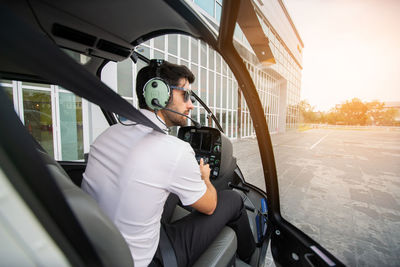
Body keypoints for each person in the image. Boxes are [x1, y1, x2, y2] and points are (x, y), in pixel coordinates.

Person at [81, 60, 255, 267]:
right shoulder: (174, 150)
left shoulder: (106, 136)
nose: (191, 105)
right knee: (233, 199)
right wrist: (205, 179)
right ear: (159, 93)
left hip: (98, 249)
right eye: (185, 95)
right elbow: (209, 207)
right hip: (143, 260)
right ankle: (251, 257)